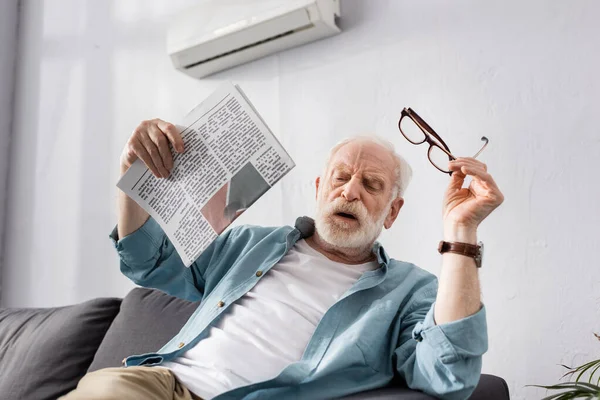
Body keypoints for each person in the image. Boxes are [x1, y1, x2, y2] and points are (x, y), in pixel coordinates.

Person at [62, 118, 504, 400]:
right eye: (341, 177)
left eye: (371, 185)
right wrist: (133, 177)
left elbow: (449, 374)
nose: (350, 191)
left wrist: (461, 232)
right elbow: (148, 262)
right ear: (318, 189)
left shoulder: (412, 290)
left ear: (392, 211)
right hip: (155, 386)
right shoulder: (252, 243)